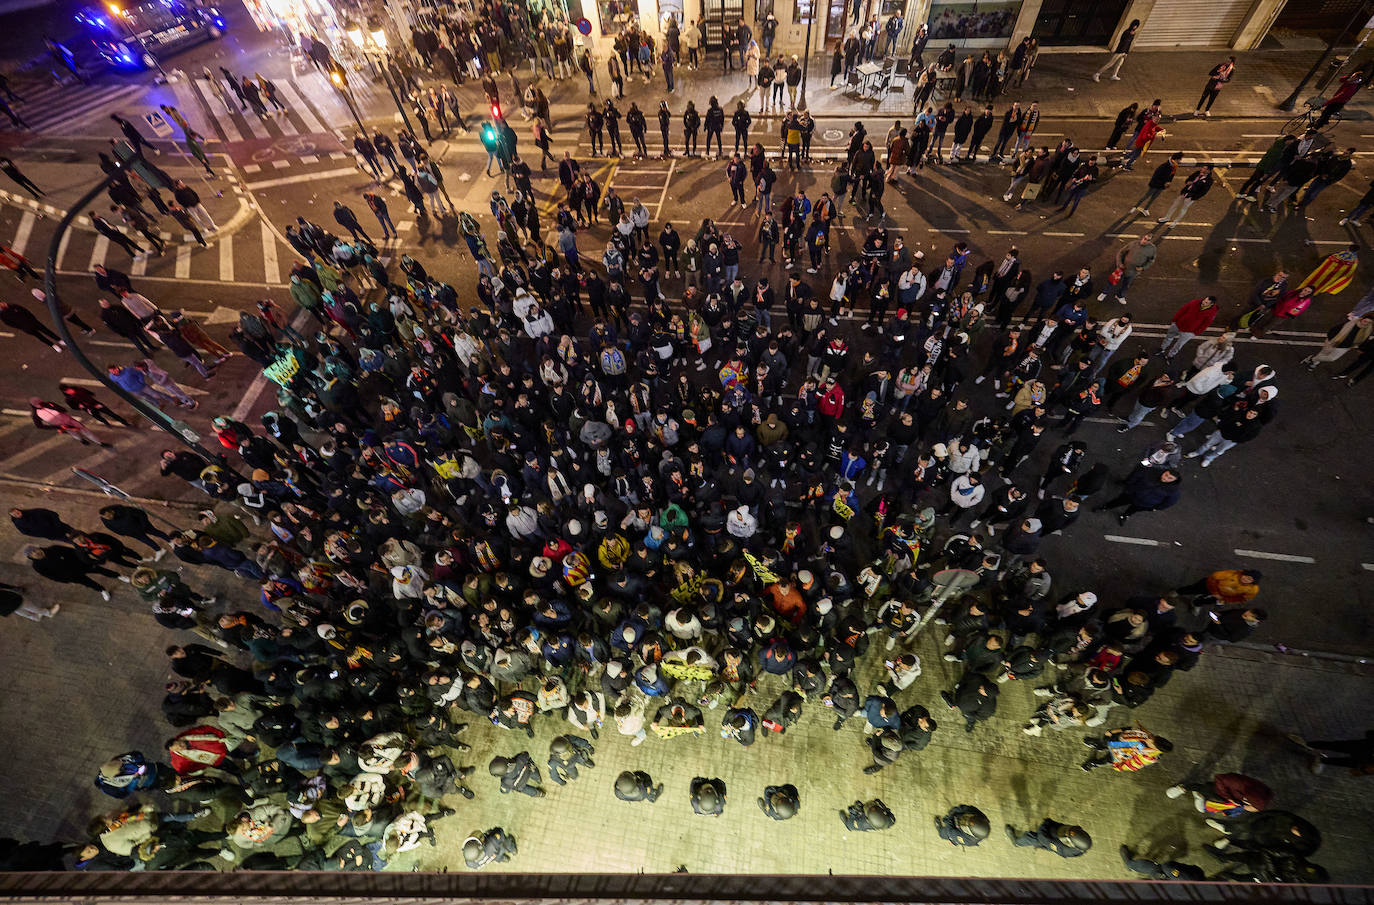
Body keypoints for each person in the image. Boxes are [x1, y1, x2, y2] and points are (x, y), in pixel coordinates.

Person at [1098, 234, 1156, 305]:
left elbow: (1151, 261)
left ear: (1151, 241)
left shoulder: (1152, 249)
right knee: (1112, 281)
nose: (1145, 241)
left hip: (1133, 271)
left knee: (1126, 284)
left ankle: (1120, 296)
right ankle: (1104, 293)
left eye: (1148, 240)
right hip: (1122, 268)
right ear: (1142, 237)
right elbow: (1121, 253)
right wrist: (1120, 264)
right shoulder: (1133, 244)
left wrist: (1143, 268)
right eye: (1145, 238)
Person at [1005, 818, 1092, 857]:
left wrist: (1045, 824)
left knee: (1032, 838)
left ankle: (1016, 842)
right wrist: (1051, 822)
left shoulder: (1061, 848)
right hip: (1056, 833)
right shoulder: (1076, 833)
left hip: (1048, 839)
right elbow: (1062, 826)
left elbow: (1044, 838)